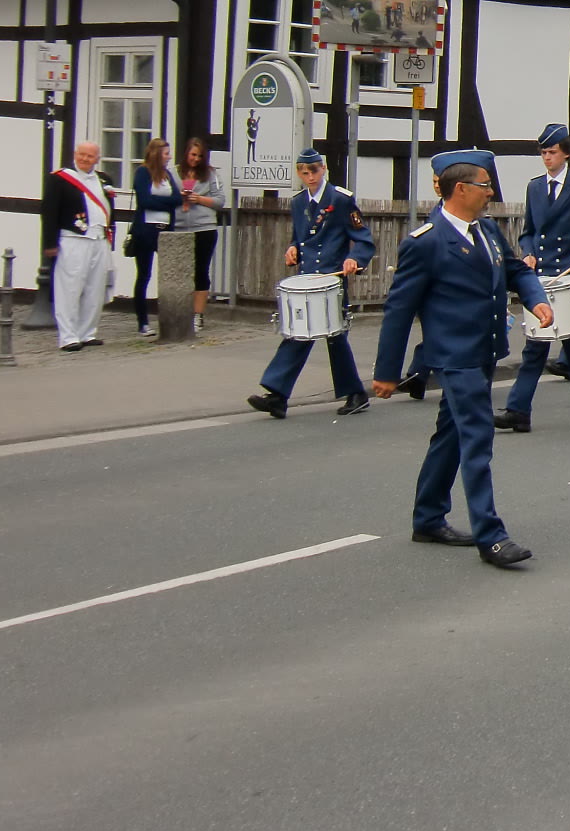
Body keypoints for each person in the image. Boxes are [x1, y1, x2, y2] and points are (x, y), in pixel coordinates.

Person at [372, 149, 549, 569]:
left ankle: (428, 517)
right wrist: (387, 372)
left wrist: (536, 299)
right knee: (477, 437)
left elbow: (516, 270)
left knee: (451, 434)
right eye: (484, 186)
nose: (490, 193)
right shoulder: (427, 242)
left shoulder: (486, 231)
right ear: (461, 189)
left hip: (484, 349)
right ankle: (491, 536)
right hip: (454, 355)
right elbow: (399, 310)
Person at [497, 125, 570, 433]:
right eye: (543, 153)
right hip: (540, 278)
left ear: (566, 154)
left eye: (552, 152)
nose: (547, 158)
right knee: (534, 346)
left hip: (568, 277)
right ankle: (518, 411)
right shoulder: (534, 187)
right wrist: (528, 253)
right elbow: (529, 231)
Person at [247, 149, 372, 419]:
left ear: (323, 169)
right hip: (307, 279)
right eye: (304, 172)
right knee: (298, 334)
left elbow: (363, 238)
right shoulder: (298, 202)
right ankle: (278, 395)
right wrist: (292, 248)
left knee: (335, 337)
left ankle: (356, 393)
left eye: (314, 171)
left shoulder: (340, 199)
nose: (310, 177)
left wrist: (354, 259)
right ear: (299, 173)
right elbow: (300, 237)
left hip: (331, 280)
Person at [42, 140, 114, 353]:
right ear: (75, 154)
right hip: (73, 239)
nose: (84, 159)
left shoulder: (104, 180)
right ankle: (68, 336)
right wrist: (49, 243)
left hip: (99, 239)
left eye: (89, 156)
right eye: (81, 154)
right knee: (69, 288)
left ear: (97, 159)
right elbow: (49, 212)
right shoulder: (60, 179)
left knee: (95, 289)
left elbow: (110, 210)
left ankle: (87, 332)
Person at [128, 137, 180, 338]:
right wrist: (166, 202)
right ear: (157, 154)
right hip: (146, 230)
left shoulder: (167, 175)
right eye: (166, 153)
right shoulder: (143, 172)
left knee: (171, 274)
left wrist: (163, 201)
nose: (169, 157)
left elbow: (177, 199)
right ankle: (142, 322)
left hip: (165, 228)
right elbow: (144, 200)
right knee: (144, 274)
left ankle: (172, 319)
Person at [177, 136, 224, 333]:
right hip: (180, 227)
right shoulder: (174, 173)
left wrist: (200, 199)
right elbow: (165, 196)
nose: (196, 159)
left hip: (204, 227)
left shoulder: (211, 174)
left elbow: (220, 201)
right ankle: (180, 313)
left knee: (200, 271)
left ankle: (198, 315)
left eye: (200, 156)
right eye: (193, 155)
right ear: (186, 153)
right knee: (180, 272)